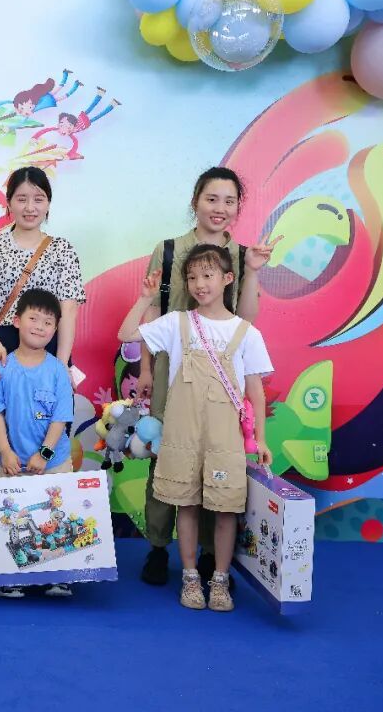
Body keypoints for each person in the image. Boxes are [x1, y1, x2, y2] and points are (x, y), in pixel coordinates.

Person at [135, 166, 280, 587]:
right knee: (166, 454)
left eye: (229, 201)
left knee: (219, 456)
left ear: (237, 207)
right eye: (211, 198)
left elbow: (246, 319)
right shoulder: (168, 250)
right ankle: (158, 546)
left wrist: (253, 270)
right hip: (173, 367)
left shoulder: (242, 255)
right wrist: (145, 368)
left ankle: (213, 557)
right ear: (195, 201)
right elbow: (153, 312)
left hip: (222, 376)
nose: (220, 208)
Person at [118, 244, 274, 612]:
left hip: (225, 439)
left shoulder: (246, 333)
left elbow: (255, 391)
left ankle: (219, 579)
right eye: (192, 277)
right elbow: (126, 335)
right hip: (182, 436)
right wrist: (145, 298)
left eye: (207, 275)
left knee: (225, 509)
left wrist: (261, 439)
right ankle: (190, 576)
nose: (199, 284)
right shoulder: (177, 323)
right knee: (185, 505)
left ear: (228, 278)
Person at [0, 166, 85, 478]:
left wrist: (61, 365)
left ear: (48, 204)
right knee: (2, 427)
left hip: (52, 348)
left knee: (53, 429)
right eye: (21, 199)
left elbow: (68, 310)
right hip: (5, 347)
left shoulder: (62, 250)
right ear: (8, 203)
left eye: (38, 199)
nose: (30, 207)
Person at [0, 288, 75, 599]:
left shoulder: (58, 370)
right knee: (14, 521)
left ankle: (57, 574)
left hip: (54, 462)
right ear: (17, 321)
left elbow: (60, 418)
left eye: (48, 322)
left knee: (54, 517)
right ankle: (13, 575)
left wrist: (45, 454)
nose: (39, 327)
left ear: (56, 329)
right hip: (13, 462)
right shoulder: (3, 366)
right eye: (33, 319)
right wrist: (5, 452)